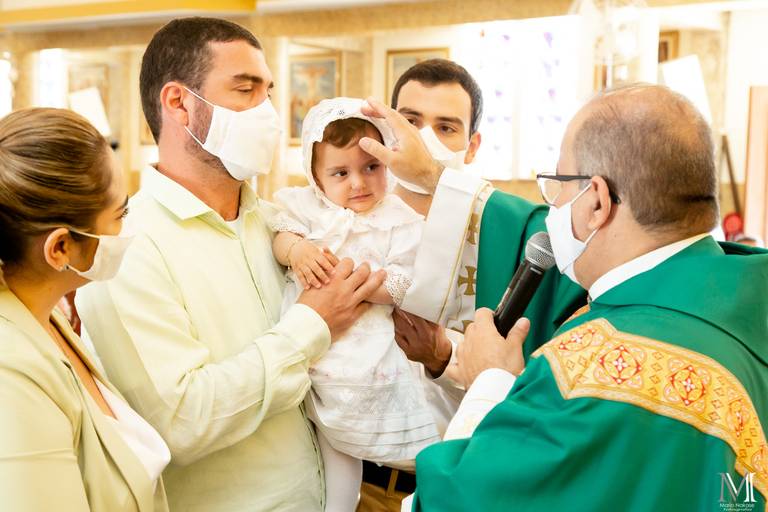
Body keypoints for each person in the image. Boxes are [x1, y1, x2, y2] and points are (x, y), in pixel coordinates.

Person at [407, 84, 768, 510]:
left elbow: (450, 500)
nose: (553, 207)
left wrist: (491, 379)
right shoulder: (751, 299)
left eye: (558, 185)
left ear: (596, 201)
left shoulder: (589, 368)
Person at [76, 18, 384, 512]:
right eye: (246, 90)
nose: (267, 112)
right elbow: (181, 422)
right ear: (179, 103)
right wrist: (312, 325)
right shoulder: (127, 246)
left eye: (268, 92)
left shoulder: (276, 221)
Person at [269, 97, 440, 511]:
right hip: (315, 351)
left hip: (371, 349)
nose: (358, 184)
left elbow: (409, 283)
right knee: (335, 467)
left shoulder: (398, 218)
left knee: (378, 430)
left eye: (371, 168)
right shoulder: (305, 209)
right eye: (340, 173)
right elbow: (279, 236)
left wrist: (362, 286)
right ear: (315, 176)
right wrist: (297, 251)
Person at [0, 108, 170, 511]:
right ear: (60, 248)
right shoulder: (11, 373)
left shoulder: (47, 316)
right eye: (120, 214)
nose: (128, 230)